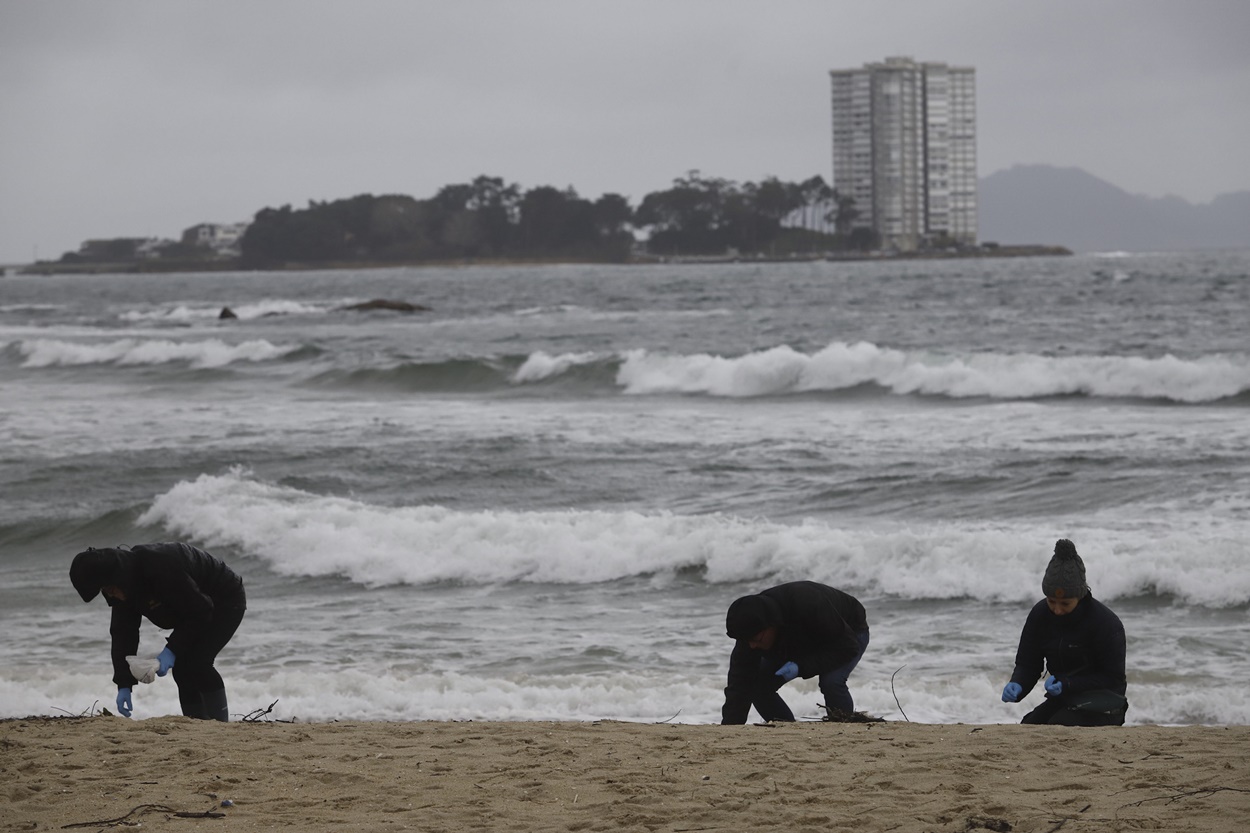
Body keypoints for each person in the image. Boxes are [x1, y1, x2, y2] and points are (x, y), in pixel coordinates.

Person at [70, 542, 246, 722]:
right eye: (104, 590)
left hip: (225, 598)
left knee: (198, 663)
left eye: (110, 588)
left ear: (117, 576)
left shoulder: (160, 567)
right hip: (194, 608)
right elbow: (123, 633)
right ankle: (197, 725)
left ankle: (220, 725)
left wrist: (171, 650)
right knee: (182, 668)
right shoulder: (122, 587)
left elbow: (199, 611)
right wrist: (124, 683)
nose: (110, 593)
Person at [1000, 539, 1127, 726]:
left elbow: (1112, 678)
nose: (1057, 610)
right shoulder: (1040, 615)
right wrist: (1018, 683)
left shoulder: (1105, 623)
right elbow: (1028, 664)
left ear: (1080, 595)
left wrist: (1068, 683)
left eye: (1065, 603)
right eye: (1051, 601)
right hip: (1065, 699)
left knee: (1057, 726)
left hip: (1105, 702)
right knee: (1028, 726)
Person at [721, 580, 869, 724]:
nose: (752, 646)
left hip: (847, 634)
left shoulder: (809, 603)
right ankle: (786, 729)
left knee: (831, 682)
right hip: (797, 639)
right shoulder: (751, 632)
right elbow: (739, 683)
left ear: (771, 624)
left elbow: (847, 647)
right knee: (758, 684)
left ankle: (844, 729)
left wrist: (801, 667)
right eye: (747, 641)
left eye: (756, 639)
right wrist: (730, 728)